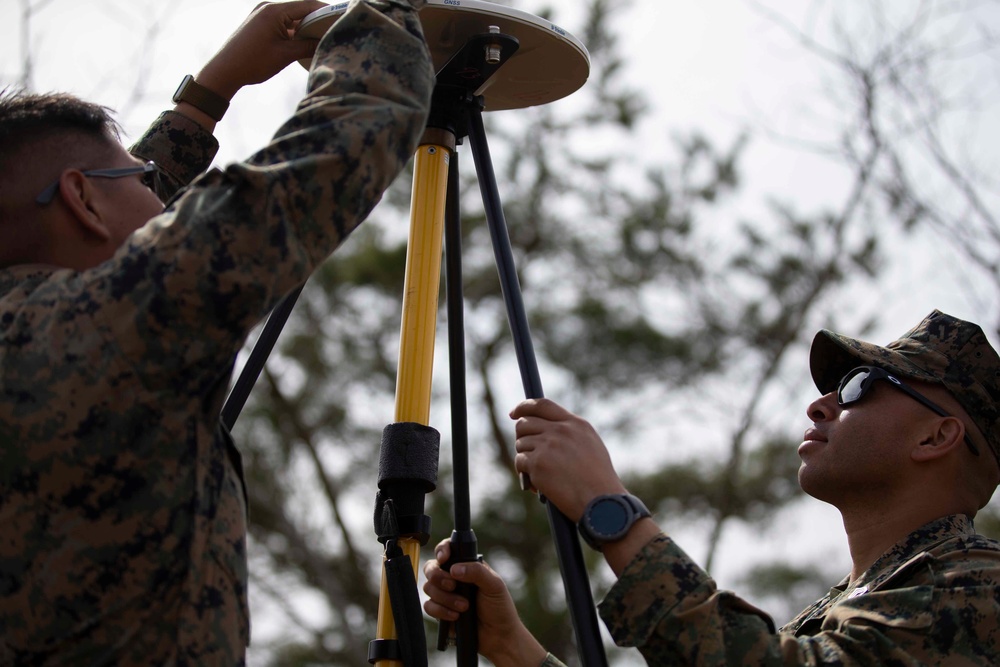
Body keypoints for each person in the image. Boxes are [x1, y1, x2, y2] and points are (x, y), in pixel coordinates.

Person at [0, 0, 433, 664]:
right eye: (145, 182)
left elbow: (117, 242)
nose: (163, 198)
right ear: (82, 198)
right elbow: (348, 131)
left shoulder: (52, 332)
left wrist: (207, 98)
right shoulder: (107, 327)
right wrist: (386, 11)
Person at [424, 309, 1000, 665]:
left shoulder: (977, 586)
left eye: (858, 385)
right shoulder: (852, 605)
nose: (820, 404)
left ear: (937, 436)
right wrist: (511, 647)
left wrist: (611, 511)